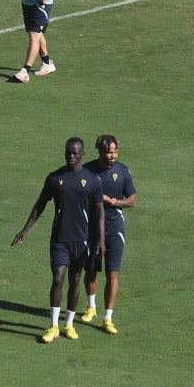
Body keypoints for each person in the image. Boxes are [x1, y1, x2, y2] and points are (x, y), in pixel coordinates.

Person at [12, 136, 106, 344]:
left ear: (83, 154)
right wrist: (26, 229)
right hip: (60, 239)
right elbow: (40, 204)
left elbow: (99, 211)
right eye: (68, 152)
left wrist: (100, 239)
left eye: (75, 152)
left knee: (75, 281)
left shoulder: (91, 180)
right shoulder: (55, 178)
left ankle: (69, 324)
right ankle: (53, 326)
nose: (71, 156)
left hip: (81, 240)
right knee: (57, 279)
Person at [82, 134, 137, 334]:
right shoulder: (87, 171)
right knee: (91, 269)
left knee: (113, 272)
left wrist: (114, 201)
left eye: (115, 151)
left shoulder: (122, 171)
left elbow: (132, 200)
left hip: (114, 227)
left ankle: (108, 318)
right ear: (100, 151)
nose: (112, 155)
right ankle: (91, 307)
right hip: (92, 228)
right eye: (108, 151)